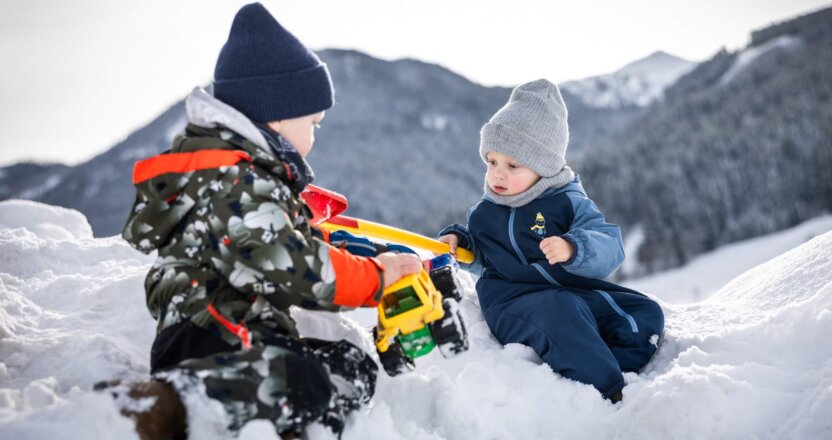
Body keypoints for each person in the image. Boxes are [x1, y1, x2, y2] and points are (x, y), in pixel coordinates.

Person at [113, 3, 422, 439]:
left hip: (241, 329)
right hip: (211, 334)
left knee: (347, 367)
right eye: (313, 123)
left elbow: (288, 238)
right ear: (278, 116)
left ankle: (274, 425)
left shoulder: (242, 177)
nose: (315, 135)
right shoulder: (233, 182)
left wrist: (310, 223)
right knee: (302, 384)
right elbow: (290, 264)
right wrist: (374, 279)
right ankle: (166, 406)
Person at [438, 79, 665, 402]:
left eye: (512, 165)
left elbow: (609, 244)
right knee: (560, 314)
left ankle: (602, 360)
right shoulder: (485, 213)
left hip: (572, 292)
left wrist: (574, 248)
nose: (497, 174)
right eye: (492, 162)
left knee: (644, 312)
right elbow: (477, 251)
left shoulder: (568, 202)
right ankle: (610, 390)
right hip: (510, 302)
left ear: (543, 167)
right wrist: (456, 242)